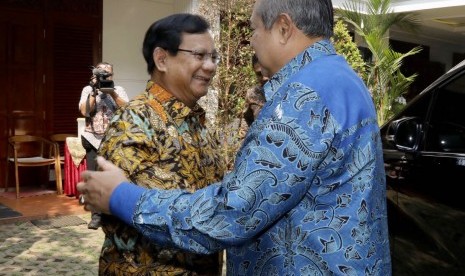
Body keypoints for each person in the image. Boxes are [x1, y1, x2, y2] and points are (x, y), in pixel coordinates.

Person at [78, 0, 392, 274]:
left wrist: (123, 197)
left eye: (254, 30)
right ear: (162, 59)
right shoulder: (338, 79)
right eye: (198, 55)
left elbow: (233, 211)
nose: (251, 42)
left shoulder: (304, 96)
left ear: (283, 28)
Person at [94, 14, 226, 275]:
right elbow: (124, 217)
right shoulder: (134, 121)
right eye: (199, 55)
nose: (210, 66)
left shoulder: (197, 121)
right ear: (162, 59)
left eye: (214, 57)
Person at [78, 61, 129, 229]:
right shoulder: (88, 89)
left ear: (112, 75)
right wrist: (94, 91)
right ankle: (96, 216)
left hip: (113, 140)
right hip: (93, 139)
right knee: (93, 178)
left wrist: (112, 93)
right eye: (102, 74)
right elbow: (84, 111)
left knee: (113, 178)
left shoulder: (118, 90)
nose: (105, 77)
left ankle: (112, 213)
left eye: (108, 74)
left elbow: (127, 110)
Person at [243, 54, 268, 126]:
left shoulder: (287, 91)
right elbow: (246, 122)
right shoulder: (253, 94)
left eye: (266, 71)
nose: (264, 78)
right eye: (259, 74)